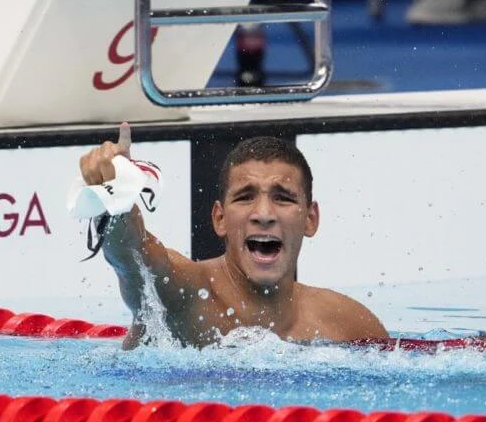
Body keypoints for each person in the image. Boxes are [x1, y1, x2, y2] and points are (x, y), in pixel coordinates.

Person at [76, 123, 388, 349]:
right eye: (245, 197)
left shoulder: (349, 324)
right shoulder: (184, 296)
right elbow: (132, 256)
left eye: (283, 198)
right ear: (220, 218)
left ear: (310, 219)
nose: (263, 213)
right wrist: (116, 200)